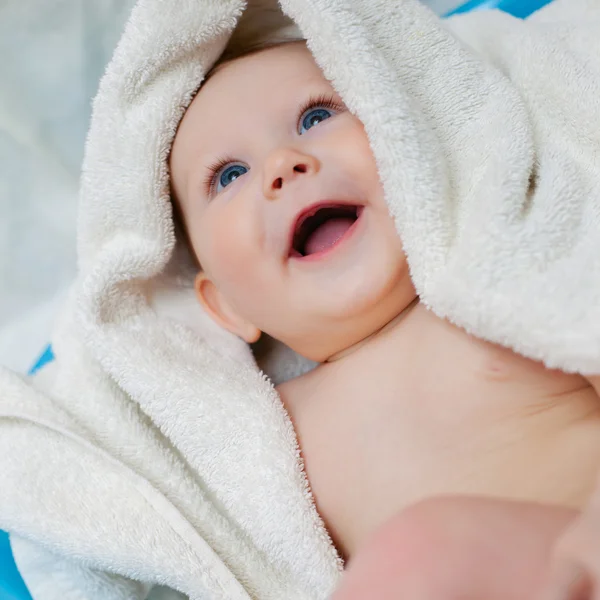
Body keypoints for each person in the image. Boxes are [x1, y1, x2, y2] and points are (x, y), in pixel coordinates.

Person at [169, 36, 600, 593]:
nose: (281, 164)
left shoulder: (500, 285)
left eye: (316, 115)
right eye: (228, 175)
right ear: (226, 306)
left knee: (417, 553)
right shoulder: (268, 437)